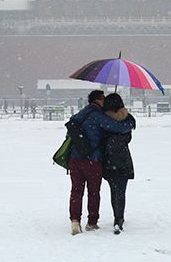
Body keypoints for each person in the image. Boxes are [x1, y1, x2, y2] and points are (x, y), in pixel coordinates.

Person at [68, 90, 135, 235]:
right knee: (93, 191)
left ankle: (75, 220)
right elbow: (117, 127)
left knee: (76, 191)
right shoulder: (97, 116)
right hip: (92, 160)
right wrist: (130, 122)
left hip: (74, 159)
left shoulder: (79, 115)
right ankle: (92, 222)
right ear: (97, 100)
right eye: (103, 98)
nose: (105, 101)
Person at [101, 93, 136, 235]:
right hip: (123, 159)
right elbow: (128, 139)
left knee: (113, 190)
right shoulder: (127, 119)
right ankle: (119, 218)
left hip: (109, 160)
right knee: (121, 191)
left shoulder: (103, 120)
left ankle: (117, 215)